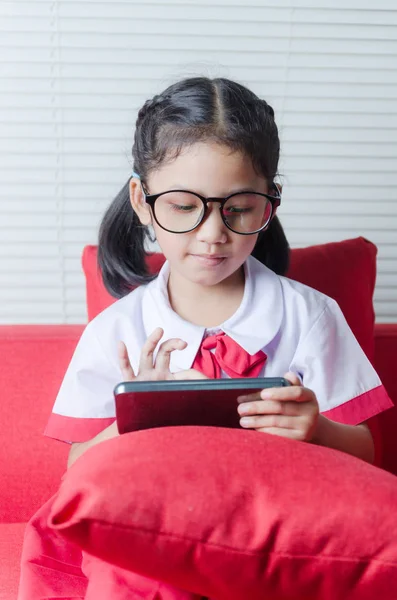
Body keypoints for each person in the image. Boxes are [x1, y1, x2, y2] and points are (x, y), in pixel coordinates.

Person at [18, 76, 393, 600]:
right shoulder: (118, 328)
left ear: (269, 204)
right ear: (142, 202)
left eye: (237, 208)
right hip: (154, 534)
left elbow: (369, 454)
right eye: (183, 206)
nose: (213, 234)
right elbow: (78, 468)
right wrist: (135, 419)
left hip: (277, 533)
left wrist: (318, 429)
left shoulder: (310, 315)